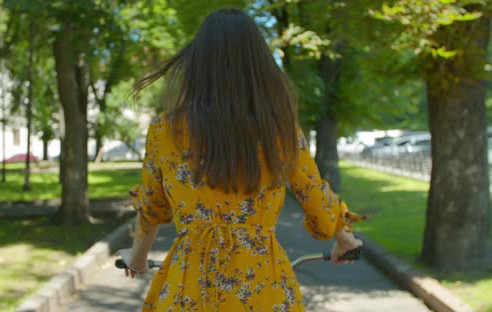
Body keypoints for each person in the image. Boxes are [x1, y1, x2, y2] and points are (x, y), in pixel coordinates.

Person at [117, 8, 366, 312]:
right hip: (264, 288)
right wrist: (346, 240)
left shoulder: (165, 132)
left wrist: (138, 258)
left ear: (198, 64)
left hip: (190, 289)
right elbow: (314, 194)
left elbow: (152, 208)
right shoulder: (281, 130)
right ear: (259, 67)